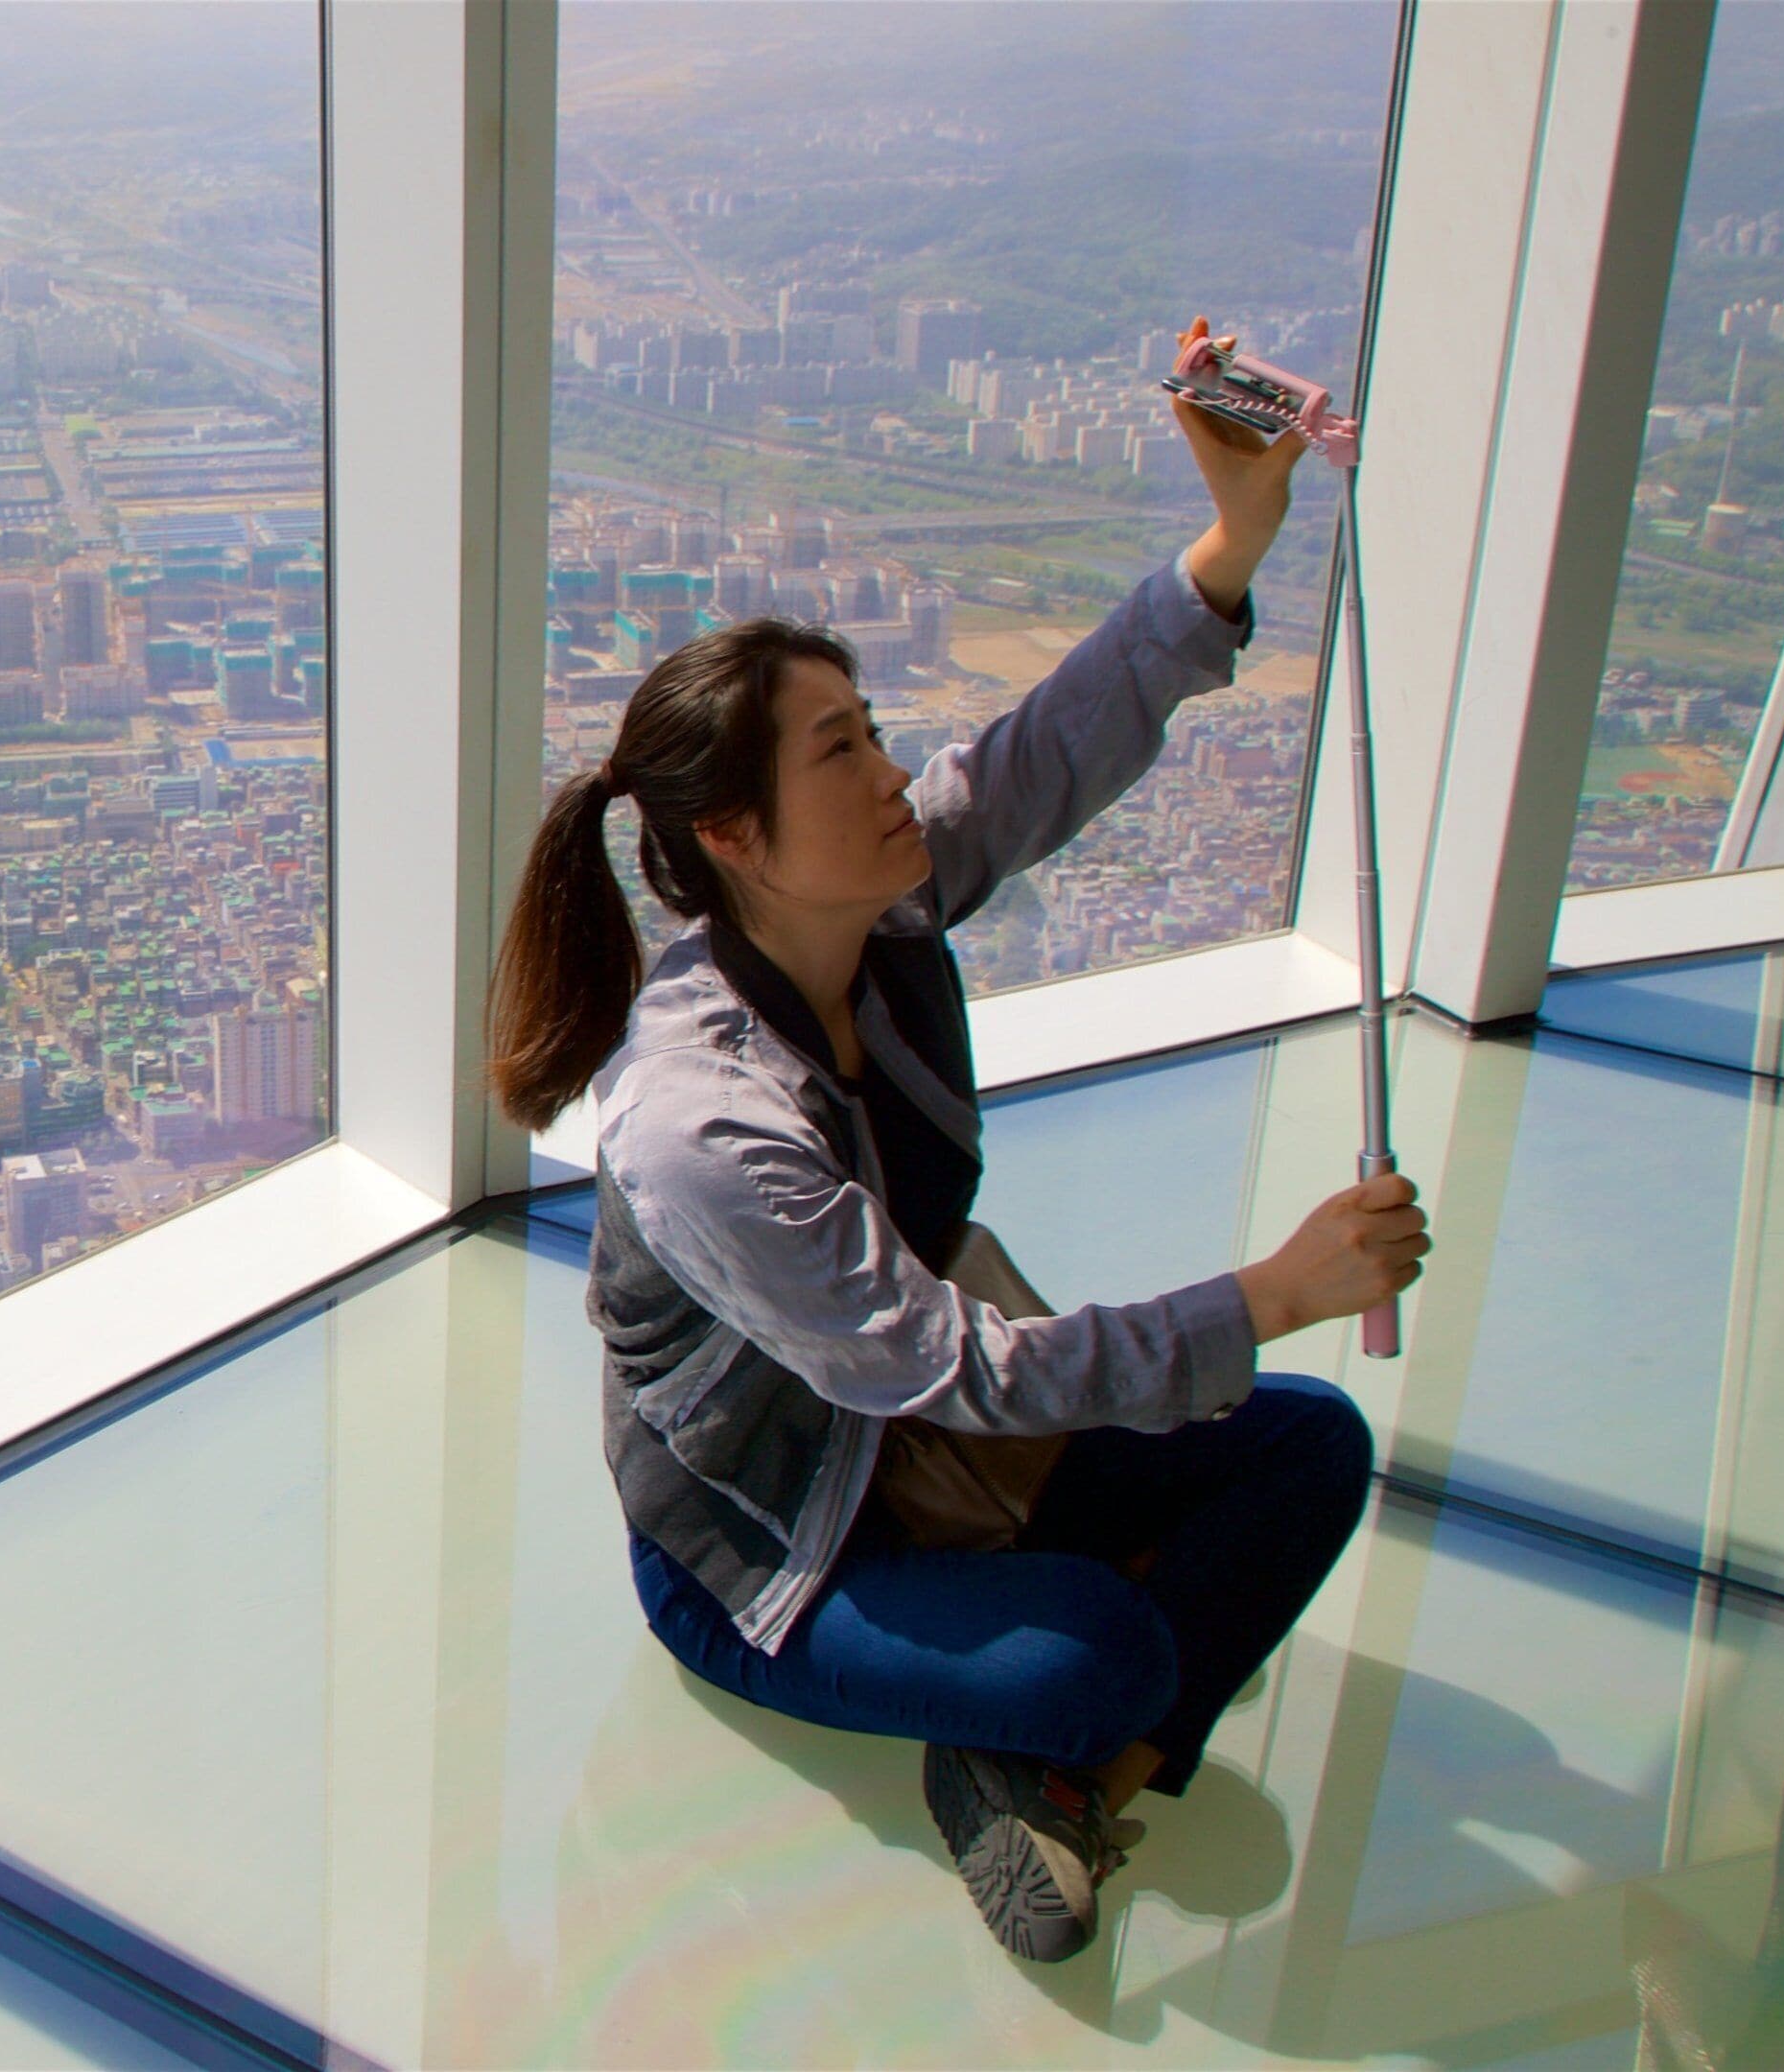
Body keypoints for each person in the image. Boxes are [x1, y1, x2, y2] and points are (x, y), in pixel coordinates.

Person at [489, 318, 1429, 1965]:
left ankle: (1051, 1784)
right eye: (843, 750)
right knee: (1105, 1648)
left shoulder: (882, 906)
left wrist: (1230, 542)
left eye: (872, 731)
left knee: (1312, 1452)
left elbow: (1052, 752)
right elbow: (953, 1371)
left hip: (944, 1465)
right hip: (781, 1545)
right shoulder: (701, 1121)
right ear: (733, 837)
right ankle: (1065, 1715)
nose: (893, 771)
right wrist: (1269, 1291)